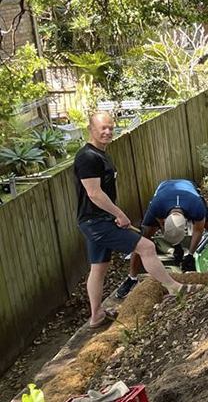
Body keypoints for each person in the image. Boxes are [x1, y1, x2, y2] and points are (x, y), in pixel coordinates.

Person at [74, 112, 198, 328]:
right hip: (97, 222)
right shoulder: (88, 157)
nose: (108, 132)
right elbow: (93, 193)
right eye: (103, 128)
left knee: (99, 267)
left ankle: (96, 316)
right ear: (90, 129)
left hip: (96, 220)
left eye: (111, 128)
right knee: (147, 247)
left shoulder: (100, 154)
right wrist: (118, 214)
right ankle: (172, 286)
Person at [115, 179, 208, 299]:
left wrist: (190, 254)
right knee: (141, 241)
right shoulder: (156, 207)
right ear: (164, 220)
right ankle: (132, 277)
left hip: (188, 192)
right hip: (163, 193)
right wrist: (176, 246)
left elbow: (198, 230)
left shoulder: (197, 206)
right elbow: (162, 227)